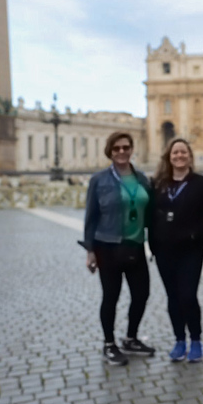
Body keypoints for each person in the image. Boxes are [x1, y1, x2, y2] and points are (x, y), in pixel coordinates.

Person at [80, 131, 156, 365]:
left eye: (125, 147)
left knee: (141, 294)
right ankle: (109, 343)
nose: (122, 152)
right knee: (111, 296)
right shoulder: (99, 180)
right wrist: (90, 251)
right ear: (110, 152)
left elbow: (150, 211)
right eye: (116, 148)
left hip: (135, 245)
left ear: (131, 149)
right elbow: (91, 217)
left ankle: (131, 337)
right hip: (108, 246)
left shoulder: (142, 178)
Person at [150, 138, 203, 363]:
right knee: (172, 297)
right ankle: (179, 339)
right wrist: (153, 244)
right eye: (175, 152)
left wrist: (194, 234)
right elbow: (150, 216)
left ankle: (195, 339)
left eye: (183, 152)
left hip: (191, 250)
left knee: (188, 295)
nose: (179, 156)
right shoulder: (158, 185)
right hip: (164, 250)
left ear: (189, 156)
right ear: (169, 157)